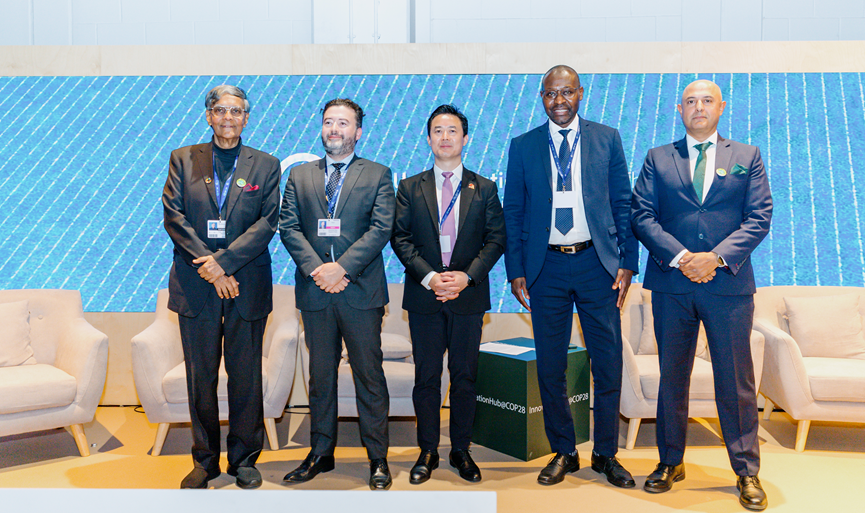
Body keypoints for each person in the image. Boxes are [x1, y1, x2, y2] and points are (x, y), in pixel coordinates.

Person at [630, 79, 773, 511]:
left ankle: (746, 471)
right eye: (690, 101)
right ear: (679, 109)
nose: (698, 107)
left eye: (706, 100)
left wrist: (714, 258)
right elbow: (642, 215)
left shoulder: (747, 156)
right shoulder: (658, 157)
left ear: (721, 107)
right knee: (673, 378)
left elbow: (759, 216)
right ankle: (670, 462)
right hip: (671, 285)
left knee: (736, 381)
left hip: (727, 286)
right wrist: (681, 257)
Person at [502, 65, 638, 487]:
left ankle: (605, 453)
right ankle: (565, 450)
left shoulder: (606, 138)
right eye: (550, 94)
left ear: (580, 93)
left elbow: (623, 202)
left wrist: (627, 262)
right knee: (550, 366)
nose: (558, 101)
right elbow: (514, 211)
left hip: (598, 266)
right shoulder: (522, 146)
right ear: (541, 98)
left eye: (566, 93)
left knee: (608, 362)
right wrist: (516, 269)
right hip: (546, 268)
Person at [162, 85, 281, 489]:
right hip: (196, 284)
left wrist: (225, 263)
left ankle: (244, 458)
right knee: (202, 377)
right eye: (220, 110)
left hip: (246, 282)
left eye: (237, 111)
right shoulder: (184, 158)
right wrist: (212, 268)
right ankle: (205, 460)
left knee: (246, 376)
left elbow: (267, 223)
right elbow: (174, 217)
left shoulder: (265, 164)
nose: (228, 117)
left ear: (247, 118)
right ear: (208, 116)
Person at [279, 98, 395, 490]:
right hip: (316, 292)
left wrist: (341, 268)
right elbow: (289, 228)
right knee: (320, 376)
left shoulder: (378, 174)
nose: (334, 129)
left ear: (357, 132)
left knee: (369, 376)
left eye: (343, 123)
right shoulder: (299, 176)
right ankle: (320, 452)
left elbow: (380, 230)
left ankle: (378, 457)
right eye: (329, 122)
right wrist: (318, 270)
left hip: (359, 291)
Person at [391, 104, 506, 485]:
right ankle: (427, 450)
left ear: (465, 138)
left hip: (468, 298)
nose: (445, 137)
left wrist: (466, 277)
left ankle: (461, 449)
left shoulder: (484, 187)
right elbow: (400, 239)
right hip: (425, 297)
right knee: (426, 378)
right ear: (428, 139)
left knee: (465, 377)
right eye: (437, 130)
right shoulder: (410, 187)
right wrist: (429, 278)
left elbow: (496, 240)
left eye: (452, 130)